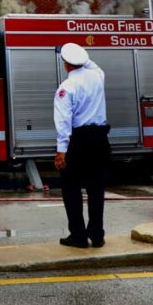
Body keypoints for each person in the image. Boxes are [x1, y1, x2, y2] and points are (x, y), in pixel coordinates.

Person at [53, 43, 110, 249]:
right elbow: (91, 65)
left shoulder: (66, 88)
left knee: (71, 188)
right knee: (96, 189)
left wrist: (61, 152)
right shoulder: (97, 77)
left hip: (78, 142)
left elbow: (63, 122)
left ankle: (78, 236)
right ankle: (97, 235)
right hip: (100, 139)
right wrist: (81, 55)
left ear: (66, 64)